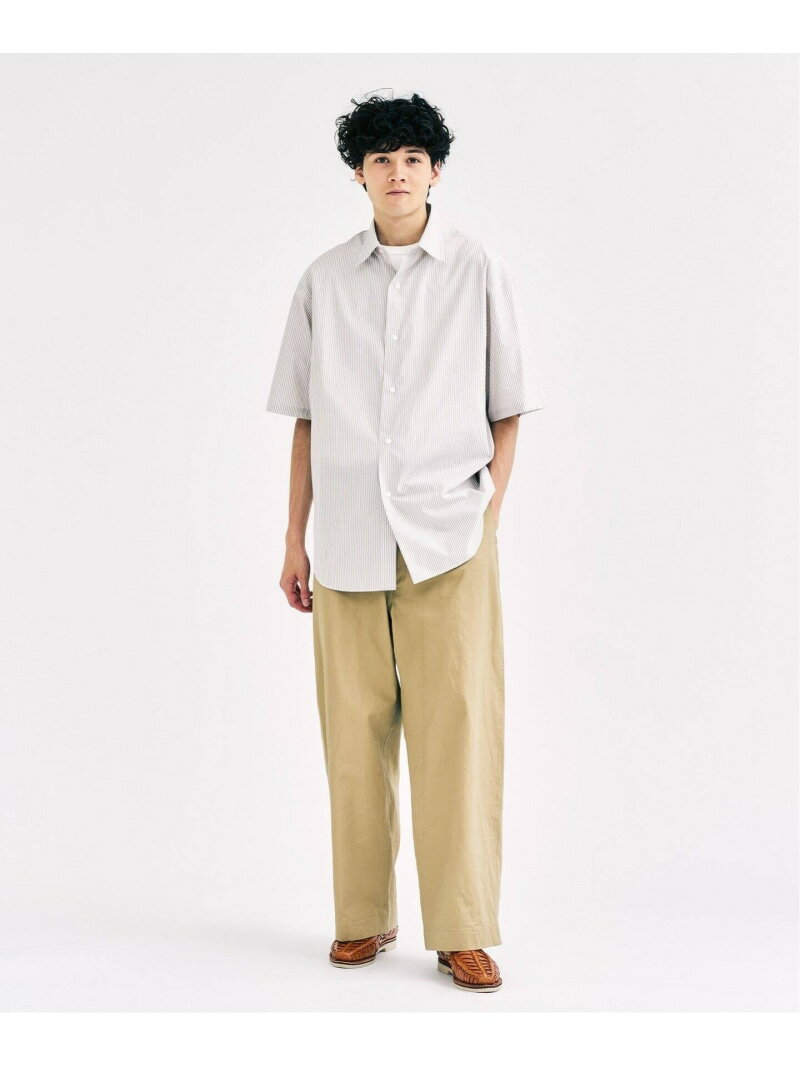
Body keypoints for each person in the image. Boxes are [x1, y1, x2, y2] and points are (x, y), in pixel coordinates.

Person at [265, 91, 544, 993]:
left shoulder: (476, 270)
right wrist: (294, 538)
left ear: (435, 171)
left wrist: (487, 513)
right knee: (353, 735)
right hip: (347, 536)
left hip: (448, 540)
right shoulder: (323, 280)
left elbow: (508, 407)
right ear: (359, 174)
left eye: (412, 158)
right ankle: (362, 914)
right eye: (380, 158)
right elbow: (306, 419)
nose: (397, 173)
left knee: (458, 732)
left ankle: (462, 928)